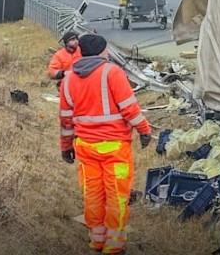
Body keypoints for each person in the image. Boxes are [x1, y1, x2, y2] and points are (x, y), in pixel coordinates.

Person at [59, 34, 152, 255]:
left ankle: (96, 240)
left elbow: (65, 118)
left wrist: (65, 146)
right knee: (116, 195)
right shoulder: (112, 73)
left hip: (85, 147)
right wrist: (145, 130)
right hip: (114, 146)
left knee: (92, 193)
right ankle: (114, 245)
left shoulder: (69, 79)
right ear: (103, 52)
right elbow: (129, 108)